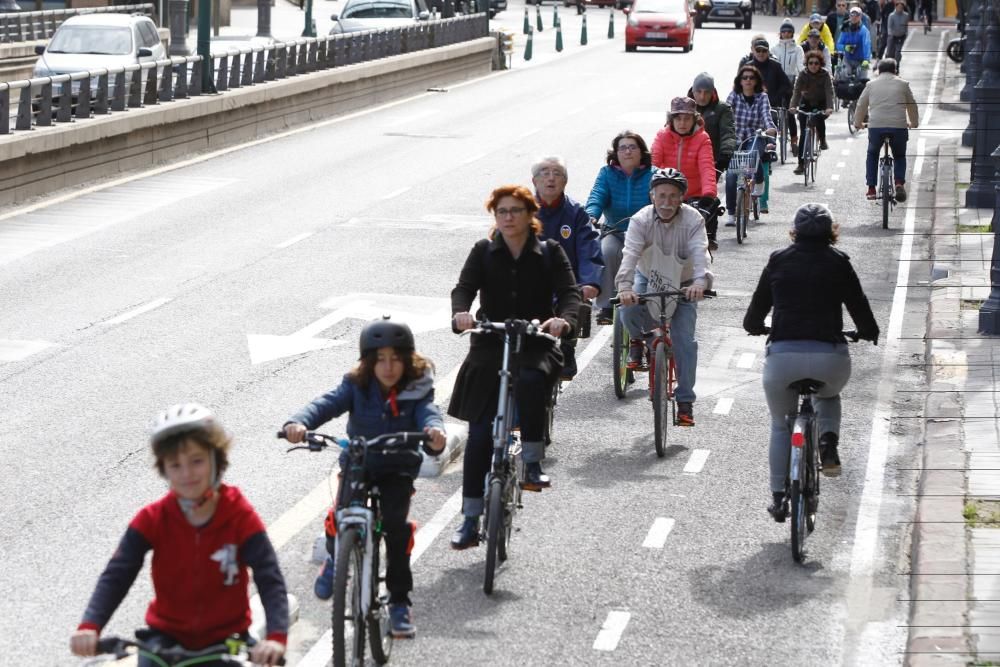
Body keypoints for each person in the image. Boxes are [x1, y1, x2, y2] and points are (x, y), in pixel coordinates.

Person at [70, 404, 289, 667]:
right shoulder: (153, 519)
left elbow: (269, 577)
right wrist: (90, 625)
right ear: (164, 470)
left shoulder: (239, 516)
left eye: (196, 461)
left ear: (216, 461)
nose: (186, 474)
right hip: (165, 641)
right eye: (175, 465)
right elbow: (118, 573)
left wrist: (276, 636)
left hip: (226, 641)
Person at [282, 319, 447, 638]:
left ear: (407, 360)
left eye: (396, 358)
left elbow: (429, 414)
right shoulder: (356, 385)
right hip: (360, 462)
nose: (388, 366)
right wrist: (299, 422)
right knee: (341, 516)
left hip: (398, 466)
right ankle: (335, 559)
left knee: (396, 529)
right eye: (380, 358)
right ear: (369, 361)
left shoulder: (418, 388)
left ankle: (399, 603)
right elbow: (325, 404)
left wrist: (434, 434)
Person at [449, 184, 580, 548]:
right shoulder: (483, 251)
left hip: (534, 340)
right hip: (491, 340)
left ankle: (533, 464)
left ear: (530, 215)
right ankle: (470, 519)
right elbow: (463, 288)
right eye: (501, 211)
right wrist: (461, 313)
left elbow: (569, 293)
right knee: (478, 437)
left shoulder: (549, 252)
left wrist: (564, 321)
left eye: (515, 211)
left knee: (531, 378)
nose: (507, 217)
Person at [743, 204, 879, 520]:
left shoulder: (778, 260)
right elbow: (859, 306)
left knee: (781, 424)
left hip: (783, 360)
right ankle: (828, 444)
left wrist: (756, 327)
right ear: (832, 231)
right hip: (829, 359)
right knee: (828, 395)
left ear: (795, 231)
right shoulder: (839, 263)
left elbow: (755, 312)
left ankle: (778, 496)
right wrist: (867, 332)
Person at [616, 168, 712, 427]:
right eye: (661, 196)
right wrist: (625, 287)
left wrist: (701, 282)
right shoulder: (640, 220)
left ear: (682, 197)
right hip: (648, 277)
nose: (667, 203)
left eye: (673, 196)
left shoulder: (693, 220)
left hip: (685, 283)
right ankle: (644, 339)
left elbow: (701, 253)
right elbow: (630, 255)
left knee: (684, 341)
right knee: (627, 311)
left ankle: (685, 402)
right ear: (652, 196)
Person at [532, 156, 604, 379]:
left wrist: (590, 281)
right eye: (545, 173)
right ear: (534, 181)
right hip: (532, 278)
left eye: (557, 174)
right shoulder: (523, 209)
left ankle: (568, 347)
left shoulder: (575, 212)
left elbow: (588, 246)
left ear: (565, 181)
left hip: (567, 281)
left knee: (578, 302)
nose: (551, 178)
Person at [585, 131, 653, 324]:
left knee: (651, 259)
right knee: (606, 252)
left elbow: (659, 200)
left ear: (641, 152)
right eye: (622, 148)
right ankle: (606, 307)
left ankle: (651, 300)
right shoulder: (607, 173)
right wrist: (591, 215)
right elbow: (597, 195)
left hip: (645, 233)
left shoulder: (653, 174)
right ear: (616, 153)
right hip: (615, 230)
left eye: (633, 147)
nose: (627, 151)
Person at [651, 97, 720, 250]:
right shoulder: (662, 136)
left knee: (704, 230)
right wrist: (648, 187)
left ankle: (707, 249)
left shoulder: (702, 138)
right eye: (678, 118)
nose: (682, 123)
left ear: (694, 120)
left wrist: (708, 194)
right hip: (667, 192)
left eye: (687, 119)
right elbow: (653, 164)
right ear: (671, 120)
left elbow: (706, 167)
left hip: (694, 194)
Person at [854, 58, 919, 201]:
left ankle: (871, 188)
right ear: (895, 70)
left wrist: (858, 123)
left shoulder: (871, 85)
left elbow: (861, 105)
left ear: (879, 71)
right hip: (899, 127)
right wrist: (913, 123)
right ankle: (899, 183)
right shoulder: (903, 84)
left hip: (876, 127)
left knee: (872, 153)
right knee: (899, 156)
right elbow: (912, 105)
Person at [725, 64, 777, 223]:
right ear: (739, 81)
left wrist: (769, 128)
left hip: (756, 135)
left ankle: (759, 180)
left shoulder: (762, 97)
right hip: (736, 137)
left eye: (751, 78)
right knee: (731, 176)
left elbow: (766, 115)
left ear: (756, 81)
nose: (747, 80)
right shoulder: (734, 95)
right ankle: (731, 213)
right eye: (744, 78)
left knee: (753, 153)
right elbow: (725, 113)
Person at [789, 50, 834, 172]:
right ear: (807, 64)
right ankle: (801, 164)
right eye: (810, 63)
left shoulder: (825, 75)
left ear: (820, 64)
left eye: (816, 63)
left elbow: (829, 92)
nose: (813, 65)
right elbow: (797, 92)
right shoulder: (802, 75)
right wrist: (793, 106)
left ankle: (822, 139)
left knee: (818, 118)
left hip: (821, 103)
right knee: (804, 133)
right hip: (806, 103)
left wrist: (829, 107)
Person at [687, 72, 738, 176]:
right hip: (687, 158)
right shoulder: (684, 107)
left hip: (712, 160)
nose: (702, 96)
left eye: (707, 92)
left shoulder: (723, 109)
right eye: (699, 91)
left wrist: (726, 153)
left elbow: (727, 132)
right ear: (693, 91)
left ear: (712, 92)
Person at [774, 20, 803, 155]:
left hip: (791, 81)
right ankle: (771, 143)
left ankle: (794, 141)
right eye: (784, 31)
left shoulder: (797, 49)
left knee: (790, 112)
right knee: (773, 111)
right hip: (778, 82)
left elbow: (800, 67)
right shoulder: (775, 48)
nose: (786, 34)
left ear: (792, 33)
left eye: (789, 32)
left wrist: (801, 80)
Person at [836, 6, 873, 83]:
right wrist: (845, 47)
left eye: (857, 15)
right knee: (843, 76)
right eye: (852, 15)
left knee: (862, 80)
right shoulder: (845, 29)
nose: (854, 17)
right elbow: (838, 45)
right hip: (848, 59)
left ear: (860, 17)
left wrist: (866, 59)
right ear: (849, 16)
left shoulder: (864, 31)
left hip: (861, 60)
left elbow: (867, 45)